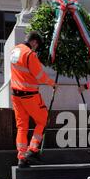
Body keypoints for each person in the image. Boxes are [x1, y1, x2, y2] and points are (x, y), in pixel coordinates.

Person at [10, 31, 57, 168]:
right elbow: (40, 75)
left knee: (22, 126)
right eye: (37, 45)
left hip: (15, 95)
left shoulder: (14, 50)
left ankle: (21, 157)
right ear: (34, 42)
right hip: (29, 95)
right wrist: (52, 83)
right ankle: (33, 150)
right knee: (43, 120)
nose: (36, 48)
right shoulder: (30, 54)